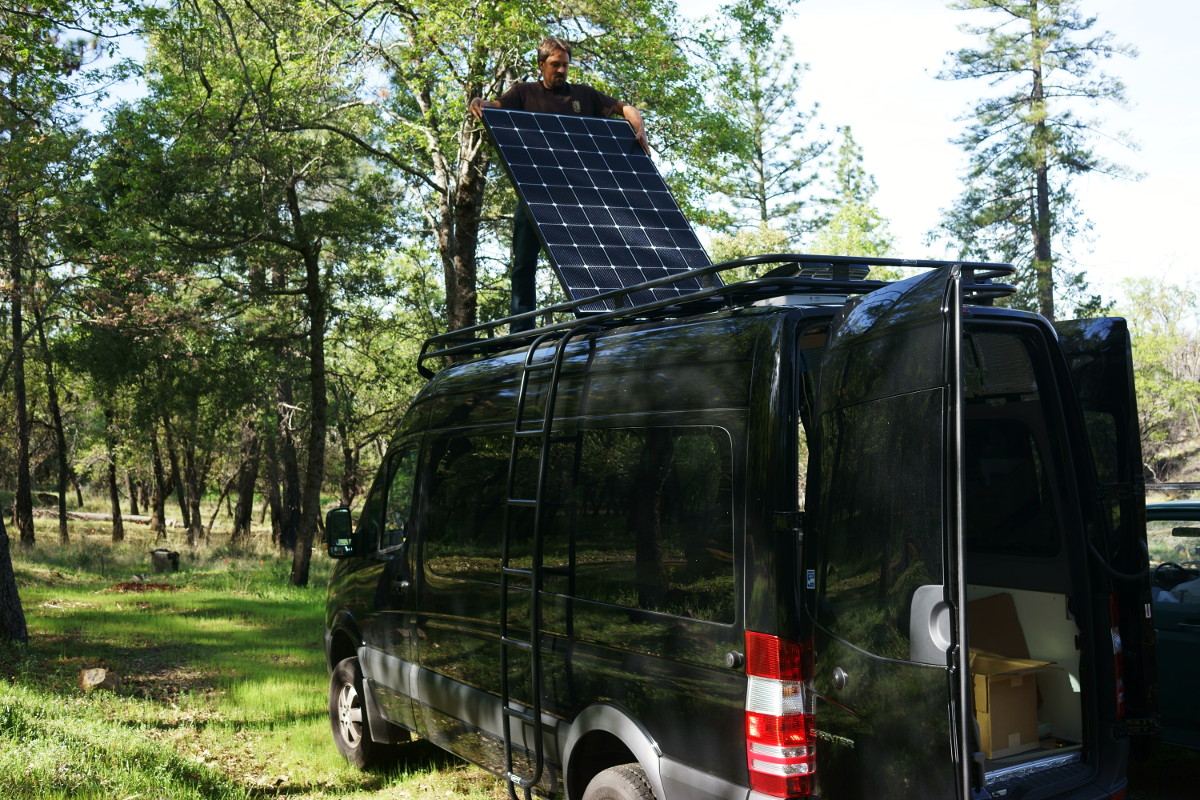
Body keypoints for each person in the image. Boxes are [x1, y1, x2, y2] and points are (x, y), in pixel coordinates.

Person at [470, 36, 649, 331]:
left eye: (565, 64)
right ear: (542, 65)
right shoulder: (524, 93)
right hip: (533, 192)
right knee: (523, 264)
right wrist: (479, 102)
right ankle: (521, 330)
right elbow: (494, 105)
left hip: (575, 194)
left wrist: (638, 128)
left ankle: (593, 320)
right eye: (555, 64)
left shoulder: (584, 96)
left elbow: (625, 108)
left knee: (586, 256)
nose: (561, 70)